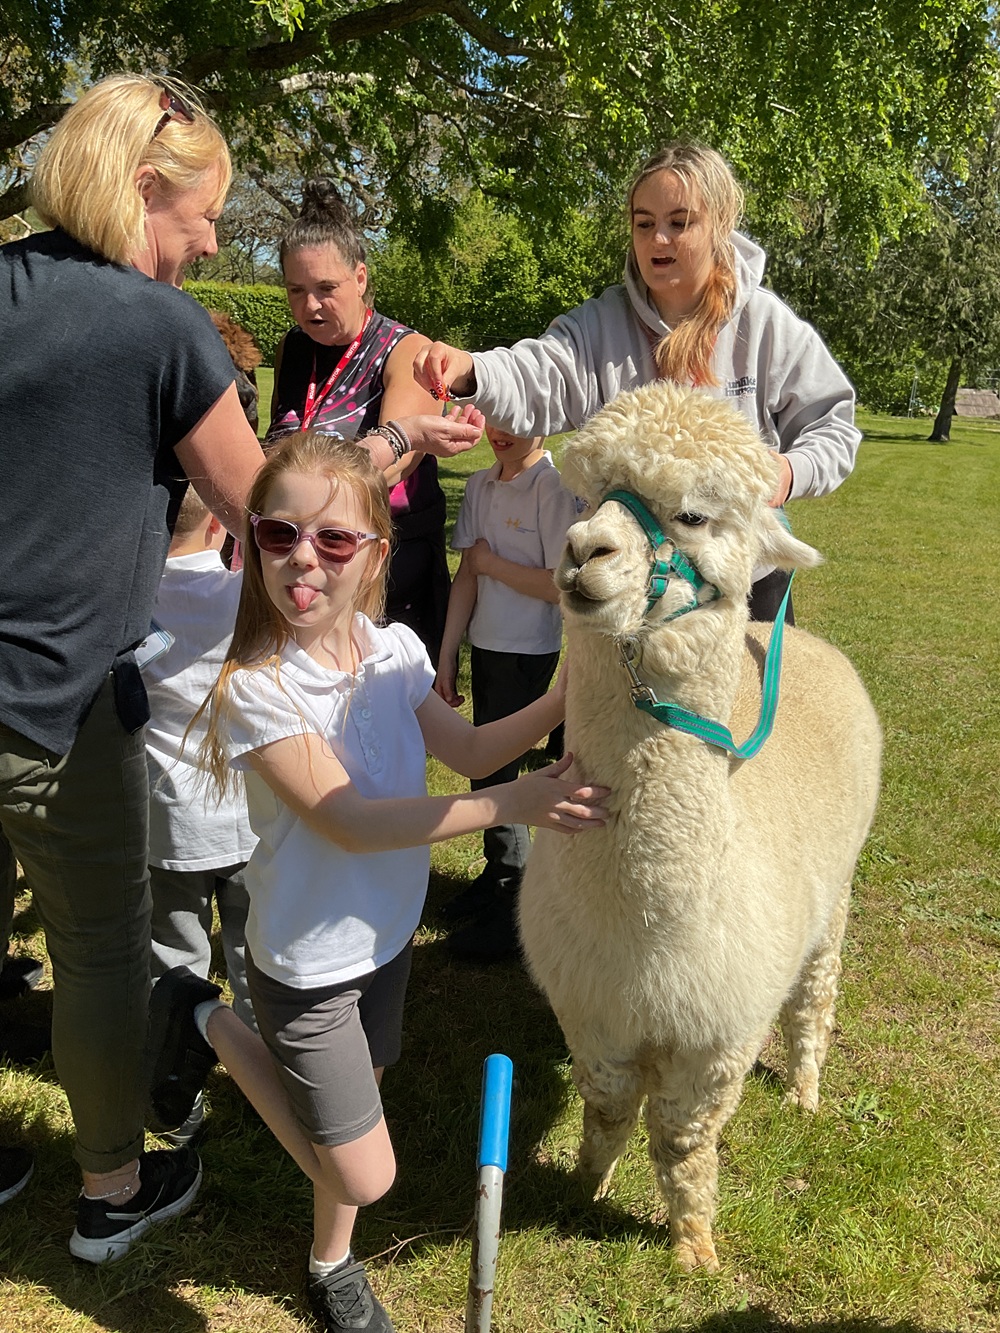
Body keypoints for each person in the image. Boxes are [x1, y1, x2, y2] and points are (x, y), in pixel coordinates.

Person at [0, 73, 480, 1259]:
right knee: (100, 949)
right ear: (138, 188)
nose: (214, 241)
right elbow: (270, 507)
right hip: (56, 701)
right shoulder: (155, 324)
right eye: (203, 213)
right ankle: (112, 1188)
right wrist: (398, 436)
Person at [150, 431, 608, 1333]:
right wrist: (510, 803)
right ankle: (201, 1016)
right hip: (307, 964)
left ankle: (331, 1262)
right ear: (252, 544)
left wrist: (565, 696)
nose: (304, 559)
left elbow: (468, 747)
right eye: (279, 534)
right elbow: (351, 821)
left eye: (333, 540)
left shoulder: (390, 650)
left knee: (361, 1107)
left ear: (374, 555)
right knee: (365, 1170)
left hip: (388, 935)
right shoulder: (257, 688)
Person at [414, 140, 862, 622]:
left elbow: (833, 426)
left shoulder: (766, 325)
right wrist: (472, 371)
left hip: (742, 589)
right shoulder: (600, 326)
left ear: (719, 225)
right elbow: (538, 373)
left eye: (679, 222)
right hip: (631, 585)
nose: (658, 240)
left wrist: (789, 473)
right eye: (644, 224)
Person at [267, 179, 454, 662]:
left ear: (361, 278)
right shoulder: (292, 348)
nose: (310, 306)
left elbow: (389, 466)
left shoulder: (407, 351)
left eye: (326, 289)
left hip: (387, 570)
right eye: (295, 290)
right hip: (301, 561)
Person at [434, 425, 580, 963]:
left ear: (543, 422)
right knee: (486, 768)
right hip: (486, 645)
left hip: (527, 650)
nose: (501, 433)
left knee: (497, 770)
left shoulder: (553, 489)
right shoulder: (479, 485)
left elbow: (560, 585)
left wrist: (491, 563)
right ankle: (499, 873)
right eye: (494, 419)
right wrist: (448, 652)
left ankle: (513, 897)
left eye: (516, 422)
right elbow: (466, 577)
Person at [143, 487, 258, 1050]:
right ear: (220, 524)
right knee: (256, 950)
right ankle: (266, 1063)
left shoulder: (133, 604)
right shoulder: (248, 596)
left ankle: (175, 1062)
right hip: (249, 810)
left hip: (169, 819)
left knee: (172, 952)